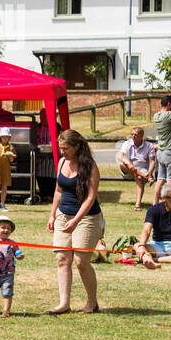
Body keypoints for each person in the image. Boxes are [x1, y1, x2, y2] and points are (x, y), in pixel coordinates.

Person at [46, 128, 103, 315]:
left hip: (87, 217)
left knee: (80, 261)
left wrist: (76, 220)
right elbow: (58, 191)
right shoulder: (62, 162)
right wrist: (53, 214)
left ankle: (92, 302)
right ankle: (64, 304)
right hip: (64, 215)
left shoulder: (90, 166)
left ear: (77, 146)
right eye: (61, 148)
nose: (62, 152)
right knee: (62, 259)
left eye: (66, 149)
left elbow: (91, 197)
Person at [135, 184, 171, 269]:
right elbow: (146, 230)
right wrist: (142, 246)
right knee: (137, 245)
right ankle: (148, 260)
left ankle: (153, 260)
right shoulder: (153, 210)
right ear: (164, 198)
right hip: (157, 245)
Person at [117, 126, 156, 210]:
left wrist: (149, 172)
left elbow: (152, 161)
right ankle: (147, 177)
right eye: (132, 134)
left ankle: (137, 205)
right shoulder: (127, 143)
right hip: (129, 171)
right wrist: (129, 163)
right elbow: (121, 156)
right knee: (122, 165)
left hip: (144, 171)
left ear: (141, 136)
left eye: (136, 135)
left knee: (138, 177)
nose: (133, 136)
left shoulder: (149, 145)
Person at [150, 95, 171, 204]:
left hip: (160, 153)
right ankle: (170, 206)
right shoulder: (169, 115)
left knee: (160, 180)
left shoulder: (156, 116)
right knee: (170, 181)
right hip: (170, 153)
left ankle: (155, 205)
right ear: (169, 104)